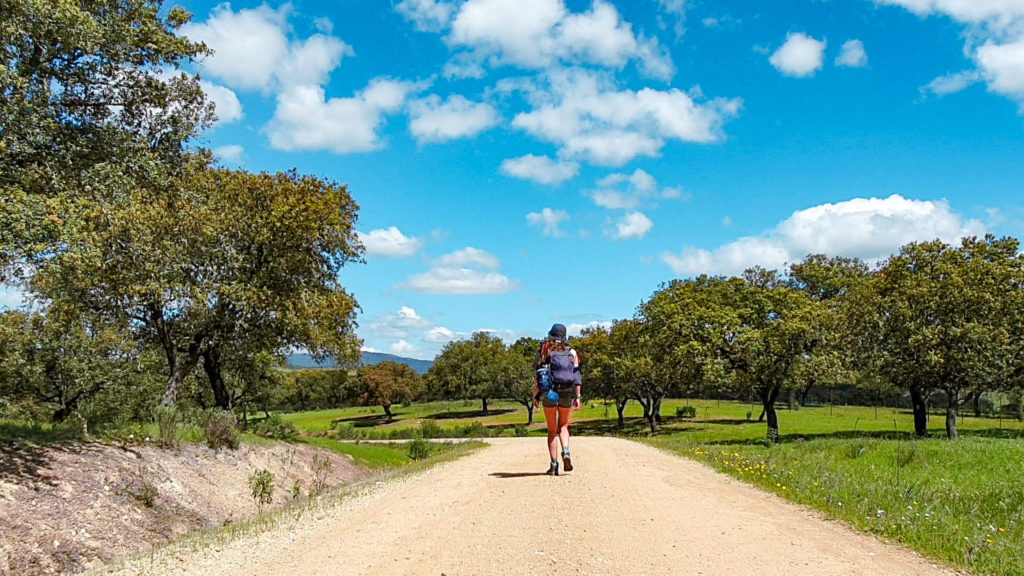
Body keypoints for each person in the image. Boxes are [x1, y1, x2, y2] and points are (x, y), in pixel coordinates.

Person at [534, 323, 581, 475]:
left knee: (552, 430)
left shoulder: (546, 352)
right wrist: (578, 396)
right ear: (564, 337)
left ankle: (554, 464)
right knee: (564, 426)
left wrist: (536, 395)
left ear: (551, 336)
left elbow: (539, 376)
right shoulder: (572, 353)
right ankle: (566, 451)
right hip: (567, 391)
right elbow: (577, 376)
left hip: (550, 393)